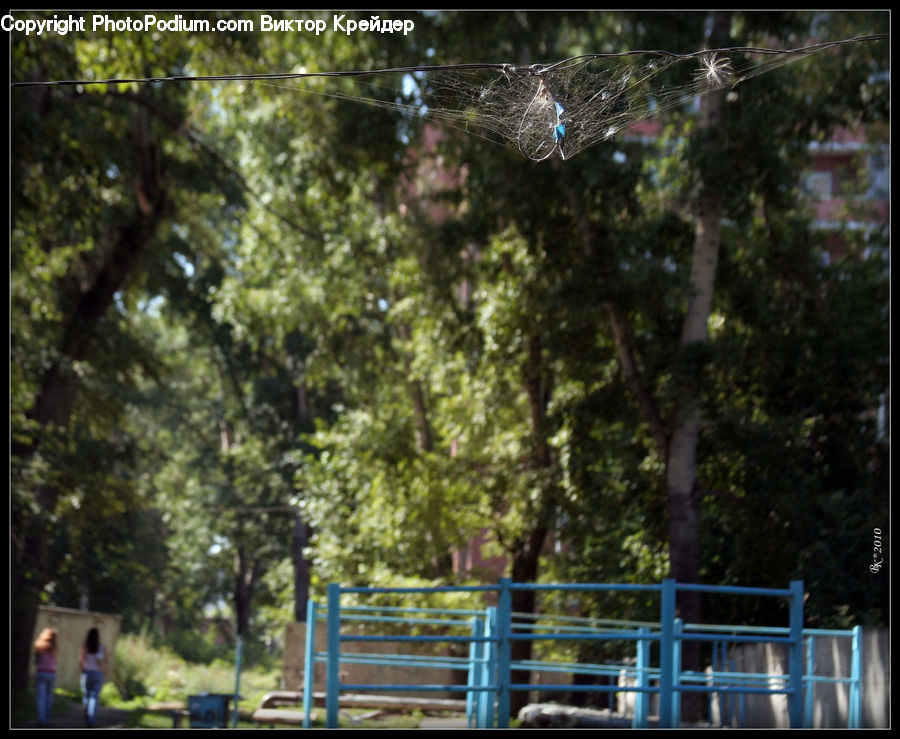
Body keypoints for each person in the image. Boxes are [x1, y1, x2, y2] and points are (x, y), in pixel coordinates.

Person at [78, 627, 108, 727]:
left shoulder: (85, 647)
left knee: (87, 696)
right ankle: (91, 718)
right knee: (94, 697)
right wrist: (103, 673)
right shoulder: (101, 648)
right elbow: (105, 662)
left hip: (87, 673)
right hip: (97, 674)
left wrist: (82, 670)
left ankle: (88, 716)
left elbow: (81, 661)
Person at [33, 628, 59, 727]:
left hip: (41, 672)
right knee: (48, 698)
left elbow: (36, 660)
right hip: (51, 673)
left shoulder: (39, 646)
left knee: (41, 698)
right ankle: (47, 720)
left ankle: (42, 720)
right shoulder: (54, 647)